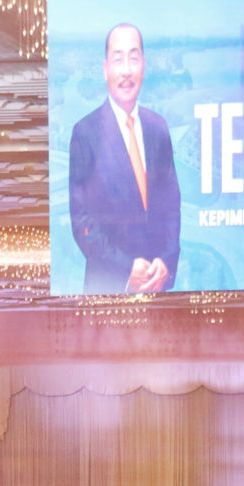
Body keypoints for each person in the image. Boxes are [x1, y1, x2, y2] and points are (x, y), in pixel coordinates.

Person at [66, 23, 179, 295]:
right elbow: (82, 223)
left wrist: (166, 262)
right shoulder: (85, 133)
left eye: (134, 58)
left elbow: (171, 207)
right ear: (105, 69)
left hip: (156, 292)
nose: (126, 70)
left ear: (144, 66)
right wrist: (126, 268)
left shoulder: (158, 128)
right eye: (118, 59)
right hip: (108, 295)